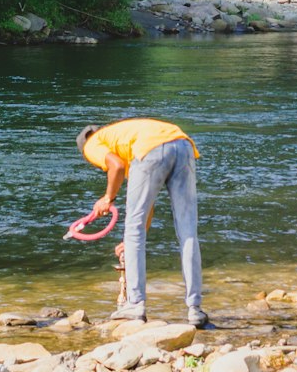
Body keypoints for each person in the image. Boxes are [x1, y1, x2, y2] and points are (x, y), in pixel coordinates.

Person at [78, 117, 206, 327]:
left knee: (132, 228)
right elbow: (148, 207)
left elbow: (116, 166)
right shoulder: (121, 136)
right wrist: (130, 244)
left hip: (150, 150)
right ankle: (195, 309)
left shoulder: (92, 144)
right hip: (183, 143)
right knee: (188, 230)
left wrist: (107, 198)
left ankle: (135, 305)